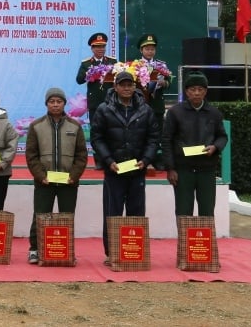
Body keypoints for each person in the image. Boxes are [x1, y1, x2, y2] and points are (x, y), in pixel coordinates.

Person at [90, 71, 160, 263]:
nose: (127, 88)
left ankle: (134, 252)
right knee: (112, 212)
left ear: (135, 87)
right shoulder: (104, 109)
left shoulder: (146, 110)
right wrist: (108, 160)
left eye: (130, 85)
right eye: (123, 85)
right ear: (116, 87)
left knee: (136, 212)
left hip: (137, 170)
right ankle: (112, 253)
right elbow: (97, 138)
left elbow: (153, 138)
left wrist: (145, 160)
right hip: (114, 170)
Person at [25, 87, 88, 264]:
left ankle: (66, 250)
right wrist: (40, 176)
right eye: (51, 102)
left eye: (58, 101)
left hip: (68, 182)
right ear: (46, 104)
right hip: (44, 181)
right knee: (40, 215)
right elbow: (31, 155)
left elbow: (81, 155)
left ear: (64, 103)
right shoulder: (36, 126)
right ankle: (34, 249)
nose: (55, 105)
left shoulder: (75, 126)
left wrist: (73, 176)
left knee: (67, 217)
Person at [161, 72, 228, 217]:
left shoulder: (214, 113)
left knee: (207, 210)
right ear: (186, 91)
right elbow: (166, 140)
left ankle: (205, 240)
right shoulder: (175, 112)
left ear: (206, 91)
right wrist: (170, 168)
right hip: (183, 170)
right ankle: (184, 240)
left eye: (200, 89)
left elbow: (222, 136)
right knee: (183, 211)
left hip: (207, 170)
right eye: (192, 89)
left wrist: (215, 147)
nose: (196, 93)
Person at [75, 32, 118, 125]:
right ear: (92, 48)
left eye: (103, 46)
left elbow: (118, 78)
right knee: (95, 128)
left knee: (111, 127)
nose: (101, 49)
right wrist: (89, 74)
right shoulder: (86, 64)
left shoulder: (112, 61)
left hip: (110, 100)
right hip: (94, 102)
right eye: (98, 47)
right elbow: (79, 80)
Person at [136, 33, 171, 126]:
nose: (150, 52)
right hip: (140, 105)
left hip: (157, 105)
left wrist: (164, 83)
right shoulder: (135, 65)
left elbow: (169, 83)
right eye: (147, 49)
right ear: (141, 50)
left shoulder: (161, 65)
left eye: (152, 49)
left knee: (157, 132)